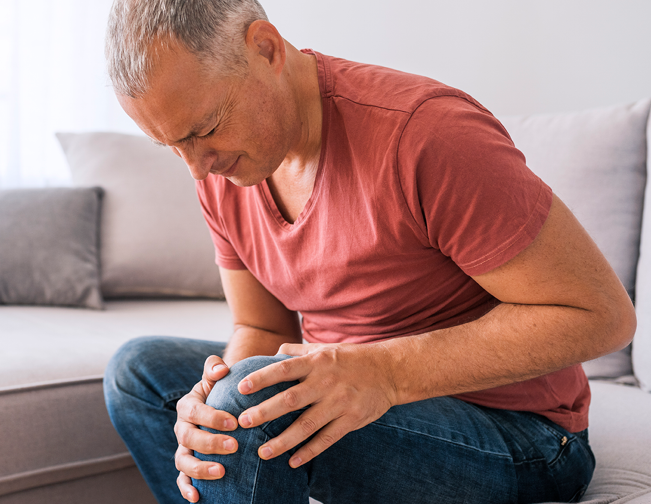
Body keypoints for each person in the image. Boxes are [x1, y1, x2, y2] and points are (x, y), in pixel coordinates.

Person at [101, 0, 636, 503]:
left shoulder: (423, 134)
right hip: (364, 403)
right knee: (139, 374)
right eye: (172, 146)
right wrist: (210, 408)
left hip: (523, 436)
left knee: (252, 404)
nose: (197, 167)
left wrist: (384, 373)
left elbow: (602, 316)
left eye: (207, 129)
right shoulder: (223, 169)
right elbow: (263, 329)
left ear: (264, 49)